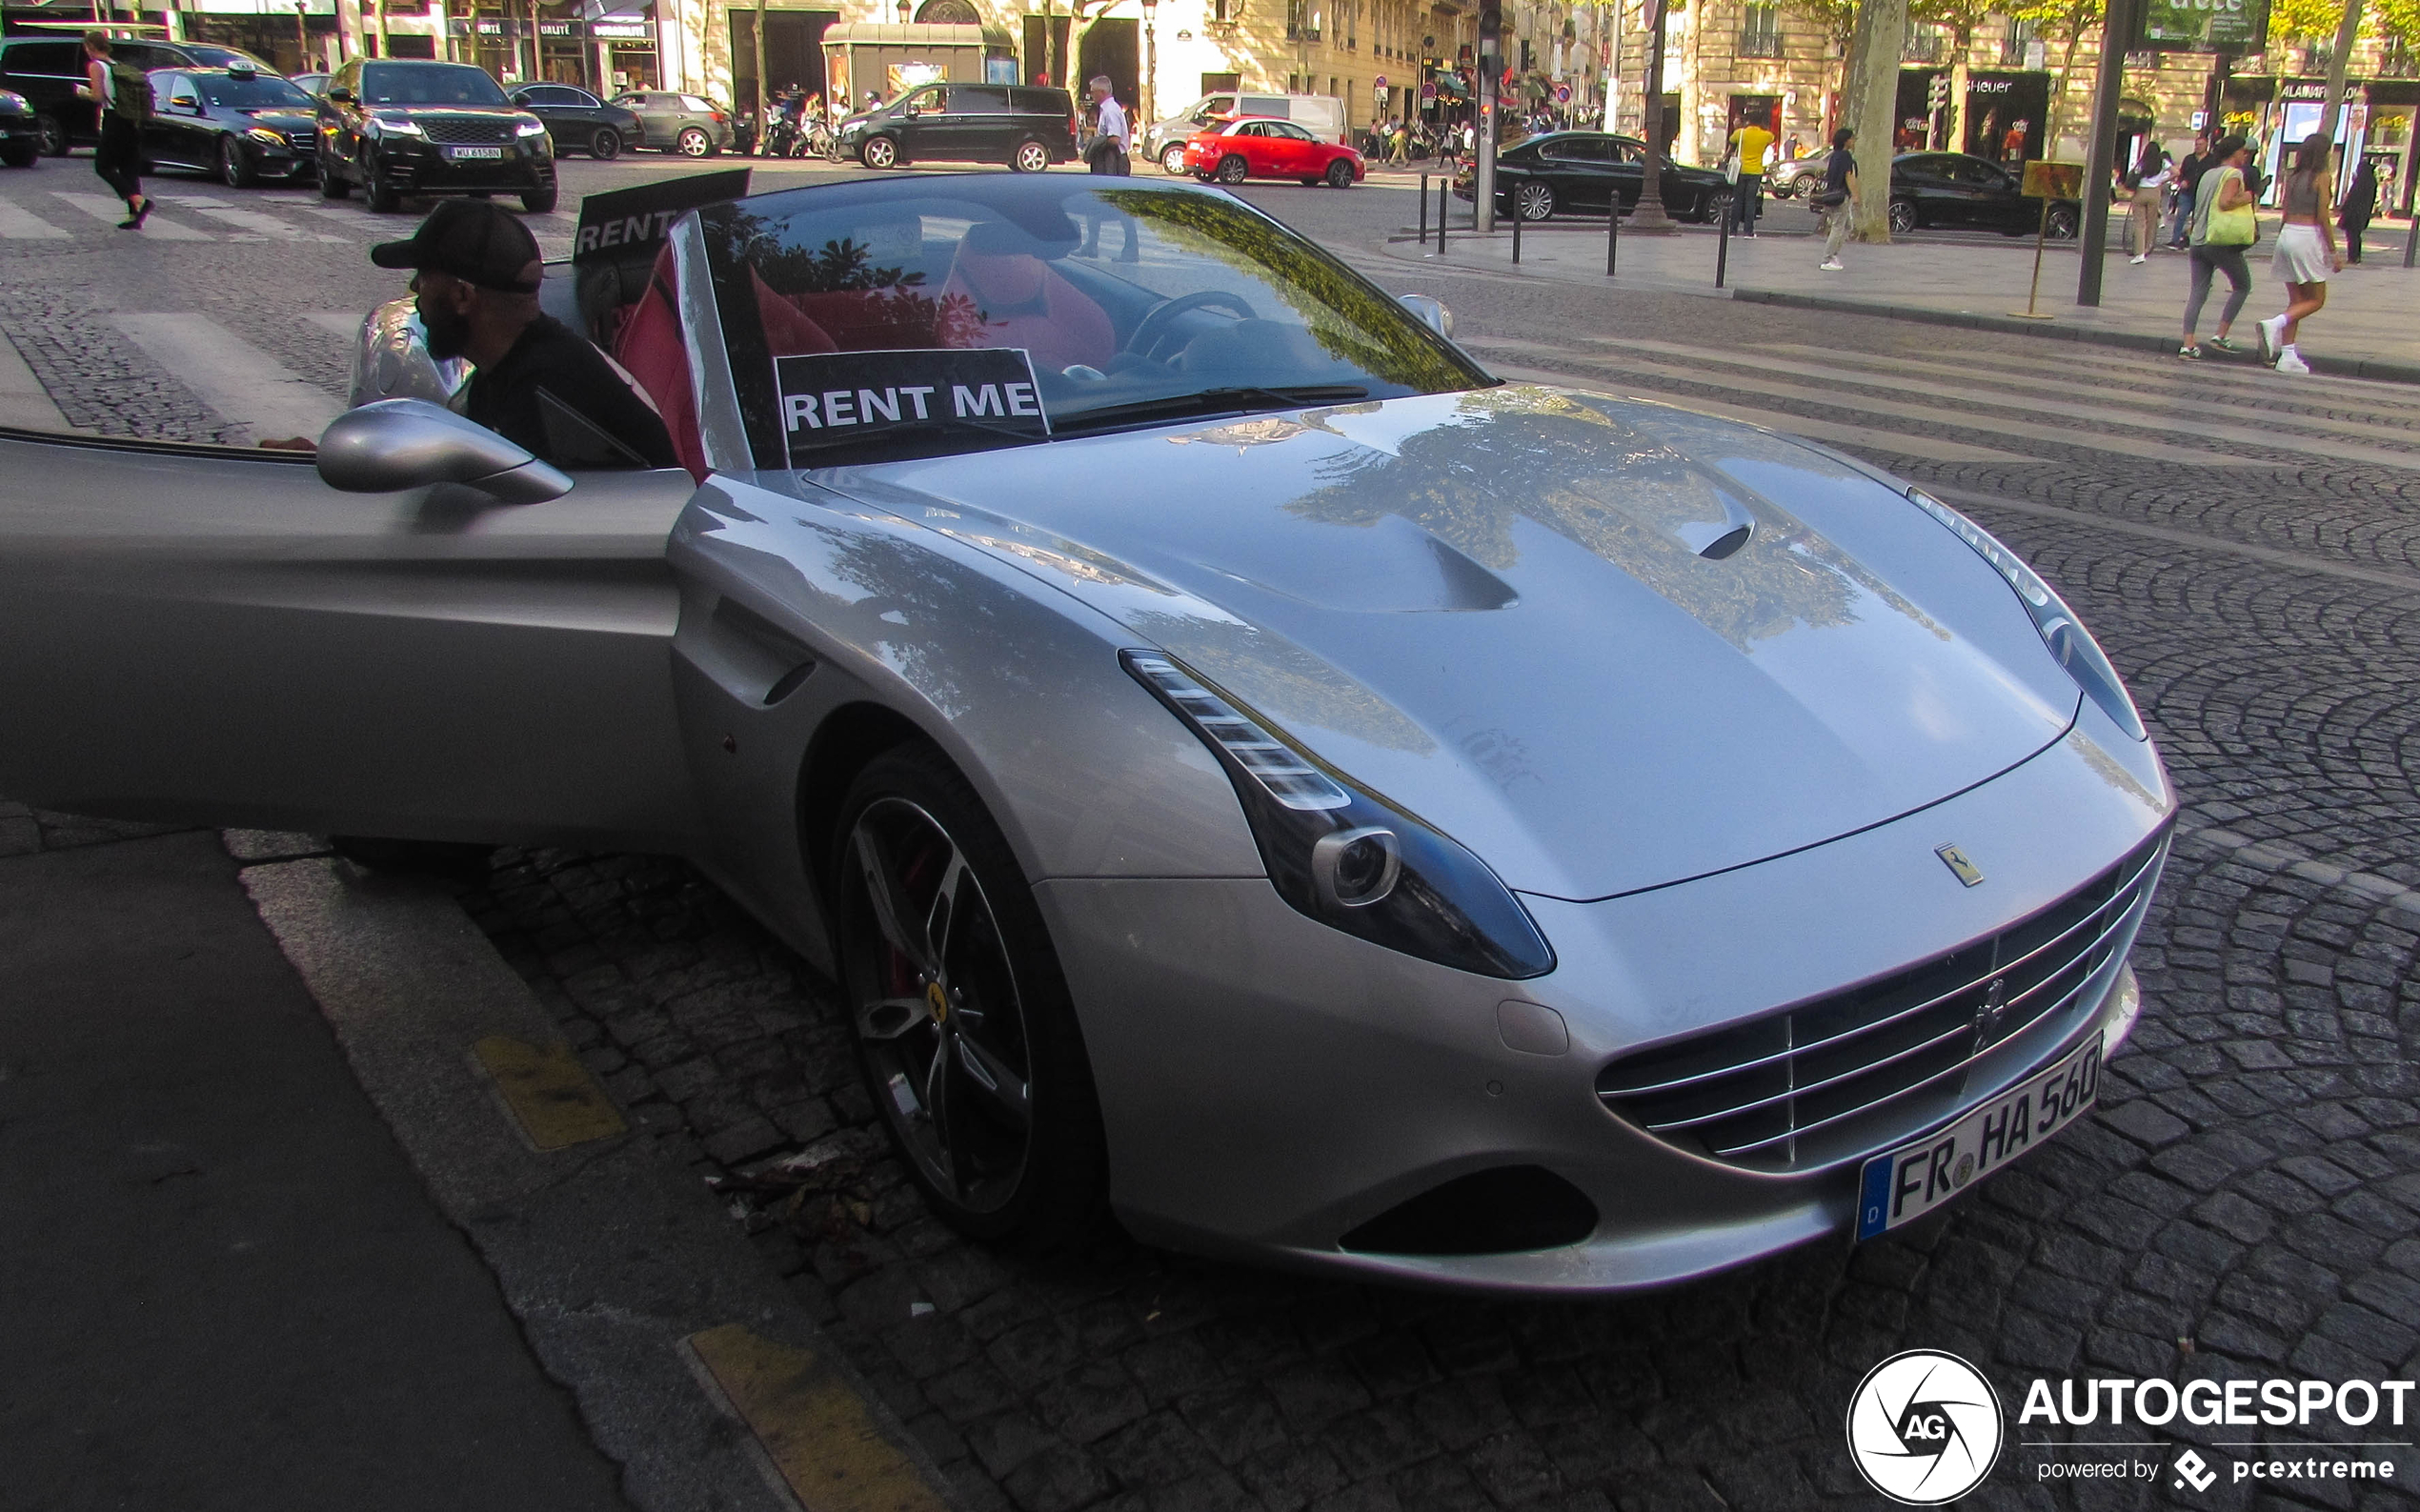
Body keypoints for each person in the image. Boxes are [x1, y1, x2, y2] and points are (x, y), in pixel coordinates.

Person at [368, 200, 676, 468]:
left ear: (463, 297)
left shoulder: (545, 394)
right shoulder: (511, 370)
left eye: (423, 277)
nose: (414, 288)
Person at [2257, 131, 2341, 375]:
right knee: (2316, 299)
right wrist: (2333, 251)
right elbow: (2323, 215)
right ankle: (2275, 324)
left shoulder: (2292, 176)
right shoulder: (2322, 177)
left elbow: (2284, 210)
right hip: (2307, 235)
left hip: (2287, 234)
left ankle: (2288, 355)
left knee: (2296, 300)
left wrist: (2282, 239)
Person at [2179, 134, 2258, 360]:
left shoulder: (2207, 174)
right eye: (2243, 151)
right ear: (2234, 153)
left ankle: (2188, 344)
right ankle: (2221, 335)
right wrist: (2247, 197)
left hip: (2198, 239)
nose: (2246, 155)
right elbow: (2225, 202)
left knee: (2197, 292)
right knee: (2242, 285)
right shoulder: (2233, 174)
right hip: (2219, 241)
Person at [80, 32, 150, 231]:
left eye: (87, 47)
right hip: (131, 120)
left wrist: (82, 92)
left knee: (103, 166)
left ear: (90, 47)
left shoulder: (95, 66)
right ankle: (134, 217)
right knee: (129, 168)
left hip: (114, 119)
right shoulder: (116, 65)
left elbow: (97, 96)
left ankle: (137, 200)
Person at [1814, 126, 1856, 272]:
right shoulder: (1845, 156)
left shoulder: (1834, 155)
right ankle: (1827, 258)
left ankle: (1833, 254)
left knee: (1847, 226)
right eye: (1852, 138)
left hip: (1831, 194)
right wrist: (1855, 194)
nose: (1853, 141)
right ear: (1846, 141)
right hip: (1841, 195)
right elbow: (1848, 176)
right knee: (1838, 227)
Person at [1725, 112, 1773, 237]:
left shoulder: (1740, 133)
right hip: (1756, 171)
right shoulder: (1766, 135)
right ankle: (1748, 231)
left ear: (1747, 121)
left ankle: (1733, 230)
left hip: (1740, 170)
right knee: (1750, 201)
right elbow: (1771, 138)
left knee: (1737, 200)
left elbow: (1731, 142)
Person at [2128, 140, 2168, 263]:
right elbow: (2176, 172)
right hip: (2154, 193)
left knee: (2139, 224)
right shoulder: (2163, 162)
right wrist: (2162, 180)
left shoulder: (2141, 163)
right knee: (2151, 223)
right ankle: (2147, 247)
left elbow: (2134, 175)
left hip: (2140, 192)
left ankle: (2139, 254)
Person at [2168, 131, 2209, 249]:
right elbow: (2182, 173)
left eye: (2200, 144)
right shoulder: (2189, 159)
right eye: (2196, 144)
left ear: (2206, 145)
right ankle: (2175, 240)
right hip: (2187, 192)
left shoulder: (2211, 160)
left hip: (2202, 192)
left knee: (2198, 217)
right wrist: (2182, 181)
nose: (2198, 147)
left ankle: (2193, 240)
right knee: (2181, 215)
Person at [1085, 75, 1129, 175]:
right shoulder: (1107, 109)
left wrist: (1095, 143)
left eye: (1093, 92)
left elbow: (1115, 139)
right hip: (1109, 159)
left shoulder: (1110, 110)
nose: (1091, 95)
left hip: (1113, 161)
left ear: (1102, 92)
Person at [2340, 153, 2379, 265]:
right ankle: (2355, 256)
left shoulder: (2361, 182)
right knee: (2355, 235)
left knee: (2352, 235)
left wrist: (2344, 208)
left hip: (2354, 214)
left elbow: (2353, 198)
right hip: (2363, 213)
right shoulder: (2370, 181)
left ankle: (2353, 257)